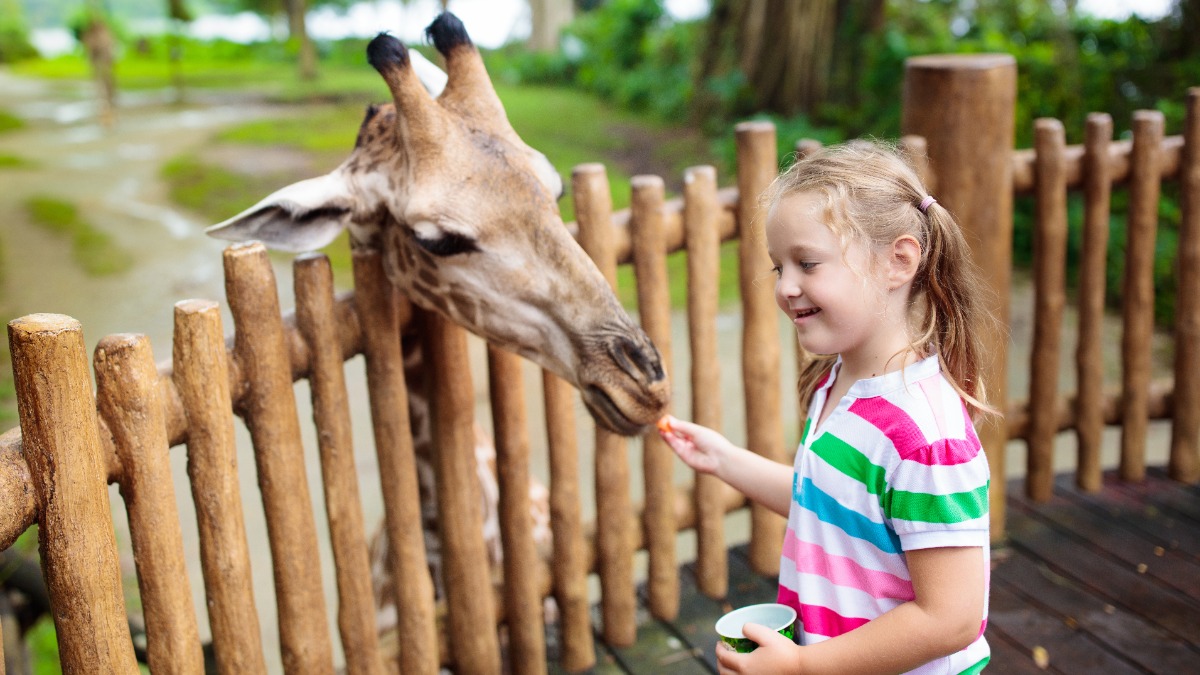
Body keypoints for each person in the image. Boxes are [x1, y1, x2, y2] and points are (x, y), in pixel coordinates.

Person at [659, 140, 996, 674]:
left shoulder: (925, 438)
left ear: (899, 261)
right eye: (778, 268)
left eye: (807, 263)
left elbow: (951, 618)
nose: (786, 287)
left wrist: (801, 668)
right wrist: (724, 460)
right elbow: (829, 508)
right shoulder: (840, 384)